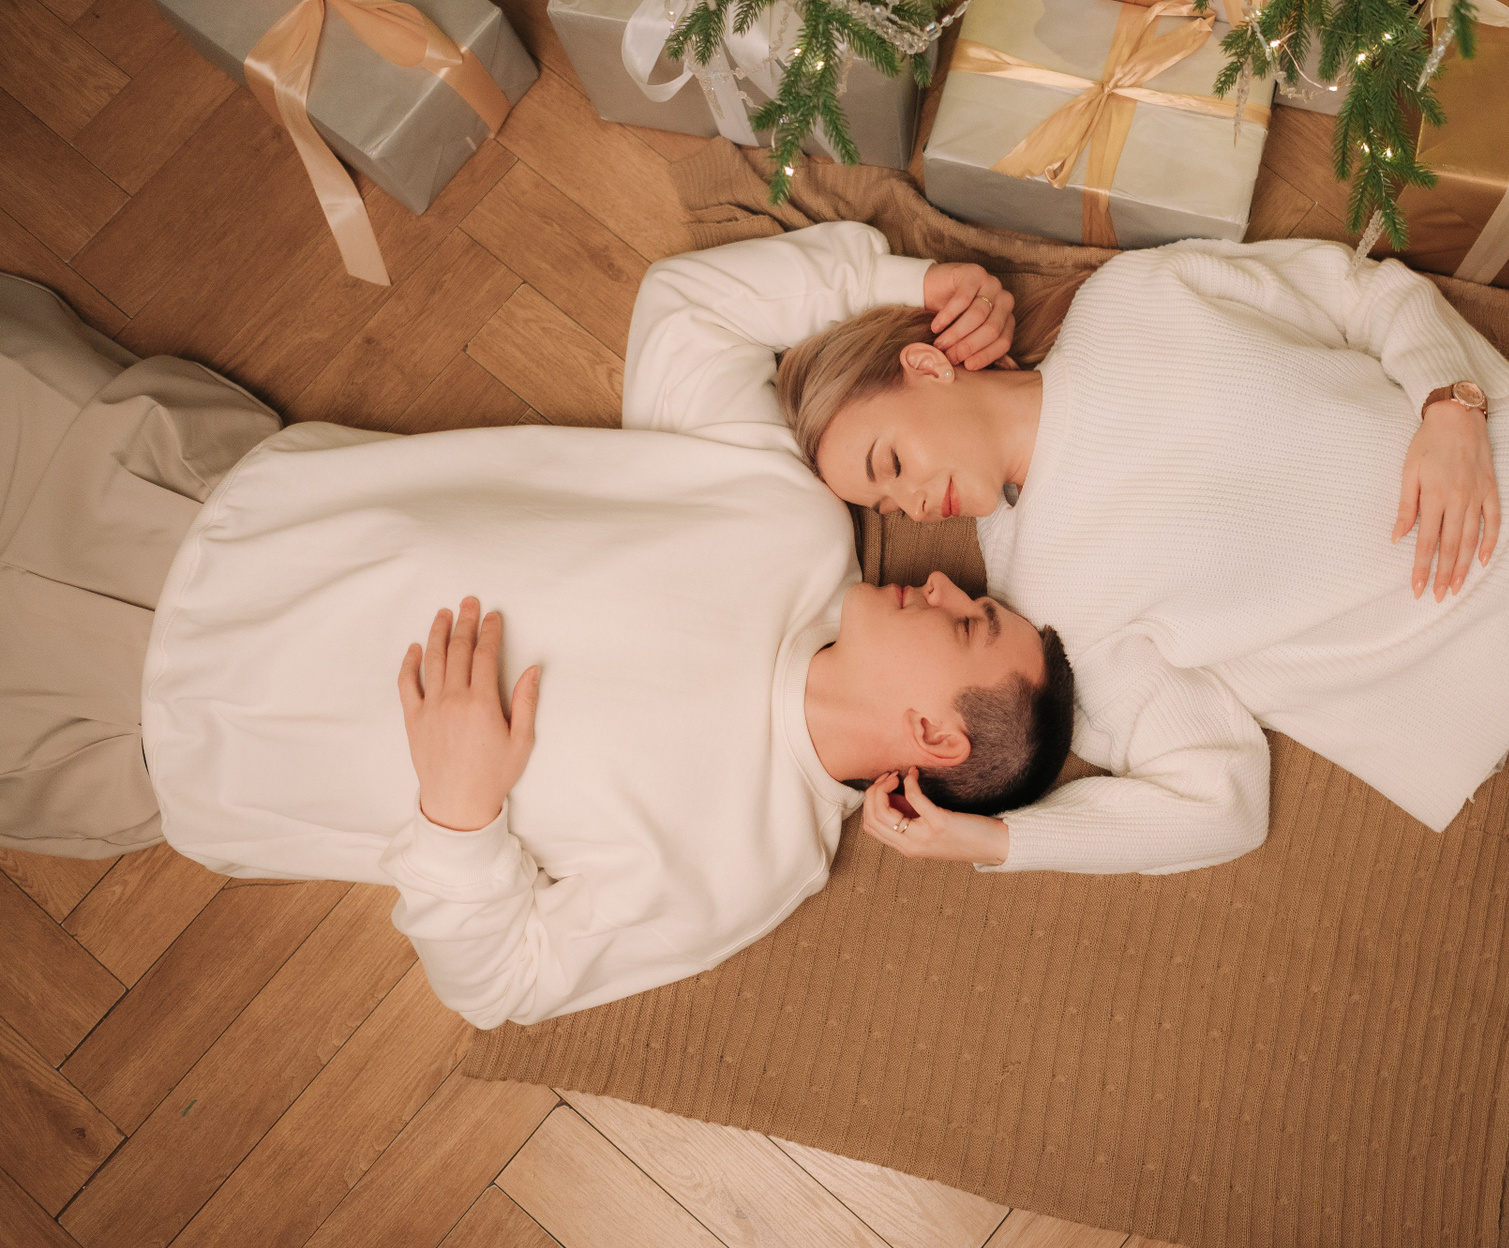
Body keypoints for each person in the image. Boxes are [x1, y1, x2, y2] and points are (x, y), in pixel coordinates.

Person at [1, 228, 1075, 1029]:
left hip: (121, 720)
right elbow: (690, 309)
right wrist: (911, 287)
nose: (944, 584)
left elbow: (504, 982)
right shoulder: (792, 523)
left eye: (968, 623)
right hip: (172, 488)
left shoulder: (751, 866)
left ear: (933, 737)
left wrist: (461, 812)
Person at [764, 232, 1509, 873]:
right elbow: (1218, 801)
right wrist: (1000, 839)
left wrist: (1451, 403)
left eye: (888, 461)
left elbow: (1360, 295)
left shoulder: (1134, 300)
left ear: (927, 368)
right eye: (887, 500)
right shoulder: (1044, 611)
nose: (912, 505)